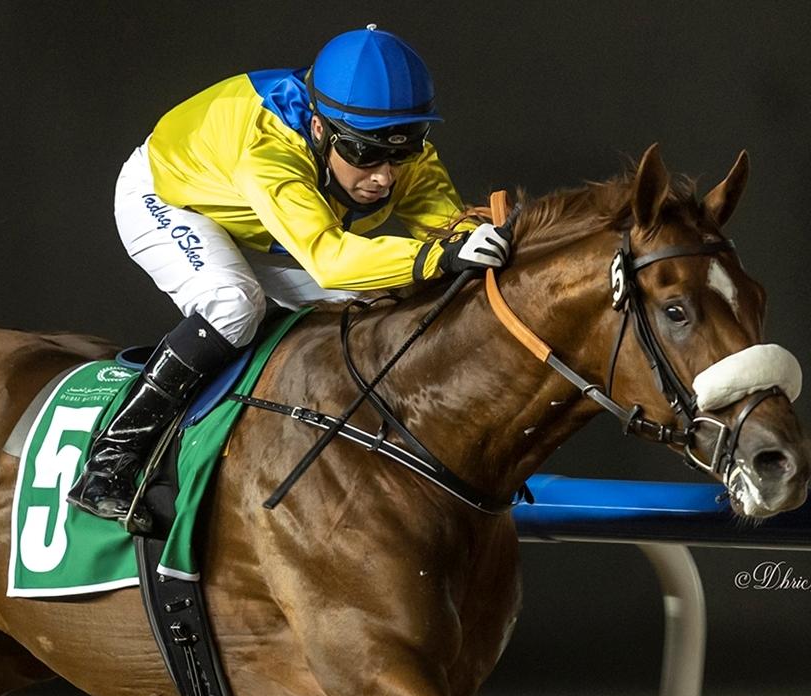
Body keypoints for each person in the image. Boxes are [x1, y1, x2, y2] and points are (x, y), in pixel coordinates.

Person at [66, 24, 514, 522]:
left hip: (257, 217)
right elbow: (331, 258)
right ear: (319, 128)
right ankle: (110, 461)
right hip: (171, 196)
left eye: (402, 151)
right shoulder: (270, 149)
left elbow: (446, 230)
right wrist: (441, 256)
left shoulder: (387, 139)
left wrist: (480, 242)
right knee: (233, 305)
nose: (384, 175)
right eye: (364, 153)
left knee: (375, 304)